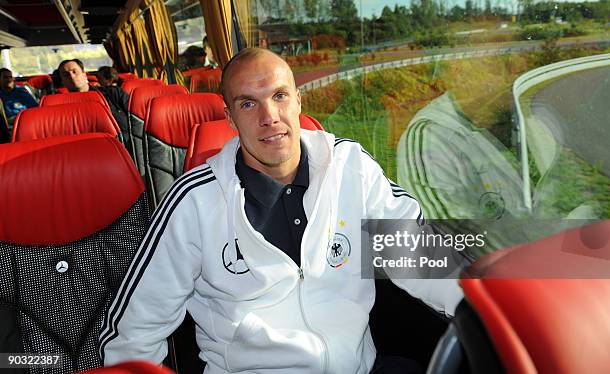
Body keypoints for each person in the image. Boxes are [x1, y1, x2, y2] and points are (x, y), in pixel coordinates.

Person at [100, 48, 463, 373]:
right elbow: (136, 329)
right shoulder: (192, 202)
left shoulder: (351, 167)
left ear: (298, 101)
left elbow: (417, 255)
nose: (269, 116)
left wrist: (491, 306)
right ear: (229, 118)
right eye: (248, 103)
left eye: (279, 96)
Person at [58, 59, 129, 145]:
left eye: (74, 71)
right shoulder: (60, 107)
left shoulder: (113, 93)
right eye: (66, 75)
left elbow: (135, 121)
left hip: (123, 144)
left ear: (84, 75)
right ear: (62, 82)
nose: (71, 76)